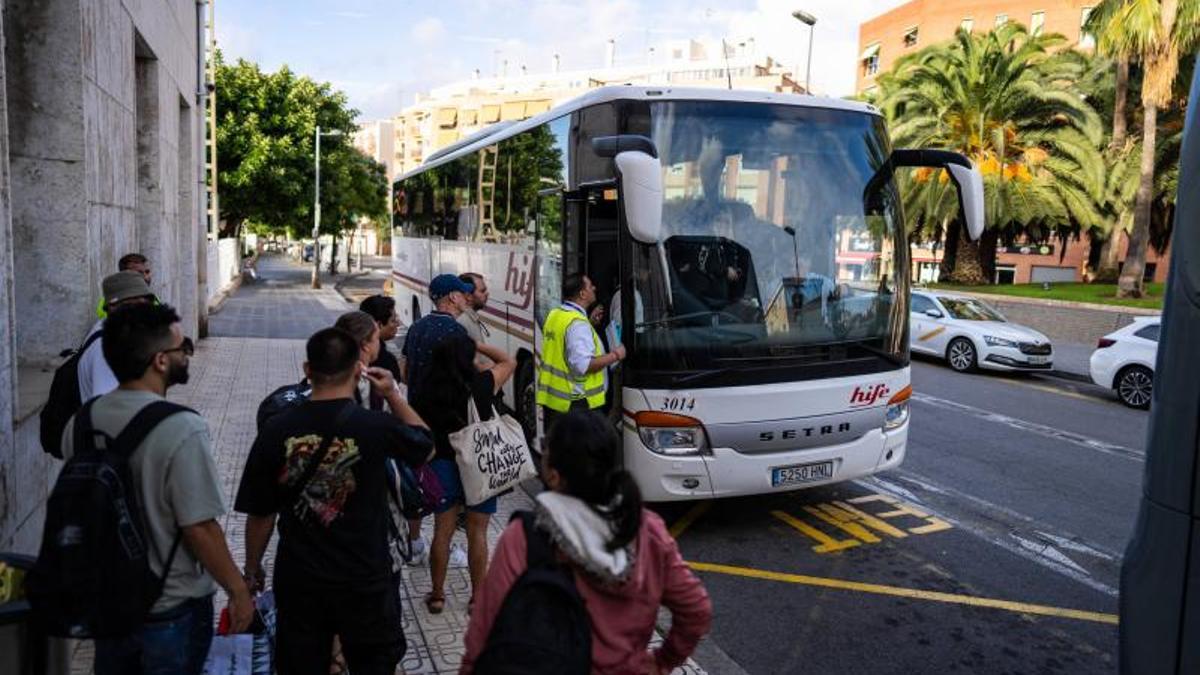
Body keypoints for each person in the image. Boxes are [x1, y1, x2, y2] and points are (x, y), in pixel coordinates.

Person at [59, 302, 252, 675]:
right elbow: (199, 527)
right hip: (169, 607)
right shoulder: (182, 428)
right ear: (160, 361)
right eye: (184, 349)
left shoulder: (81, 422)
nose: (188, 357)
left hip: (109, 601)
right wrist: (238, 591)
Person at [236, 327, 433, 675]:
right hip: (364, 578)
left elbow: (260, 513)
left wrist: (252, 571)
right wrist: (393, 395)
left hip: (300, 579)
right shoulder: (374, 425)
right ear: (359, 368)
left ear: (307, 369)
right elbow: (425, 445)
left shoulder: (277, 429)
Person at [461, 411, 712, 674]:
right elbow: (697, 609)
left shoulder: (525, 537)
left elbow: (483, 634)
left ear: (554, 476)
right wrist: (663, 661)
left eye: (544, 449)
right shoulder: (647, 530)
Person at [412, 333, 516, 615]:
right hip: (480, 465)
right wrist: (474, 345)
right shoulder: (481, 384)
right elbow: (509, 360)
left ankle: (436, 595)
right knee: (478, 533)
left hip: (443, 465)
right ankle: (477, 599)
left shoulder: (427, 387)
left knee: (442, 532)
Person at [537, 274, 625, 431]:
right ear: (583, 294)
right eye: (590, 286)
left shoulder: (556, 314)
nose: (594, 288)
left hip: (555, 402)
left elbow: (565, 344)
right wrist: (616, 355)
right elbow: (583, 365)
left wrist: (589, 323)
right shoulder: (577, 324)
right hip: (576, 404)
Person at [79, 271, 158, 402]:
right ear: (112, 307)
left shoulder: (119, 334)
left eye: (147, 303)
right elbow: (110, 409)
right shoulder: (106, 347)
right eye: (135, 304)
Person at [400, 273, 471, 392]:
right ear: (453, 297)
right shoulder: (456, 330)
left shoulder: (416, 326)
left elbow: (403, 370)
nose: (467, 299)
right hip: (445, 407)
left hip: (414, 405)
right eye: (464, 294)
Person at [96, 253, 153, 318]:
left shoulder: (152, 298)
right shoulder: (113, 303)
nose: (145, 277)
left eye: (147, 272)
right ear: (124, 275)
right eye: (138, 273)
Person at [456, 272, 493, 368]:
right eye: (482, 291)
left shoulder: (469, 317)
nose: (487, 294)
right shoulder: (463, 321)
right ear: (468, 296)